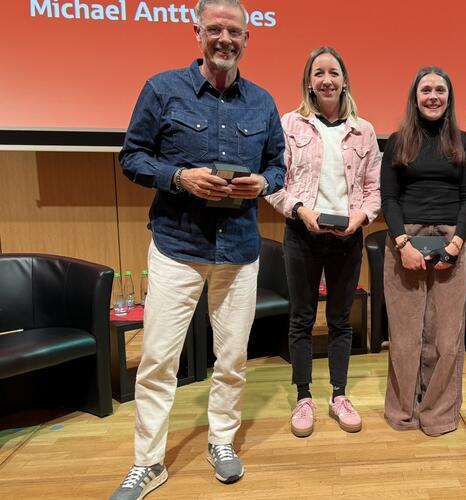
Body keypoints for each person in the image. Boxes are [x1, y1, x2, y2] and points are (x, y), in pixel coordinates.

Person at [111, 0, 286, 498]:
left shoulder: (263, 102)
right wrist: (179, 177)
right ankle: (148, 463)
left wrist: (262, 183)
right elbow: (132, 157)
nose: (225, 39)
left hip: (239, 253)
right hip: (177, 247)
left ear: (247, 39)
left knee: (231, 360)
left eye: (234, 31)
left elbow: (279, 166)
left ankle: (222, 442)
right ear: (198, 33)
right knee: (158, 362)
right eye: (215, 29)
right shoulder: (161, 89)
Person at [266, 47, 381, 438]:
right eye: (319, 73)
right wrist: (301, 210)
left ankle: (338, 395)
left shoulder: (363, 130)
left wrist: (361, 218)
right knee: (301, 318)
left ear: (344, 80)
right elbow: (273, 185)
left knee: (339, 320)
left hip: (348, 237)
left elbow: (373, 189)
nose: (327, 79)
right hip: (302, 234)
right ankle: (303, 397)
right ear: (309, 82)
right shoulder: (289, 124)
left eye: (333, 72)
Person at [381, 67, 466, 436]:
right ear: (415, 97)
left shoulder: (464, 142)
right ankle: (404, 411)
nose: (433, 96)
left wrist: (455, 245)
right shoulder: (397, 141)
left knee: (446, 338)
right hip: (405, 242)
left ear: (449, 98)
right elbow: (388, 198)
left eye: (440, 90)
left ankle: (438, 414)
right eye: (426, 90)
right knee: (405, 337)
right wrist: (402, 244)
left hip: (450, 241)